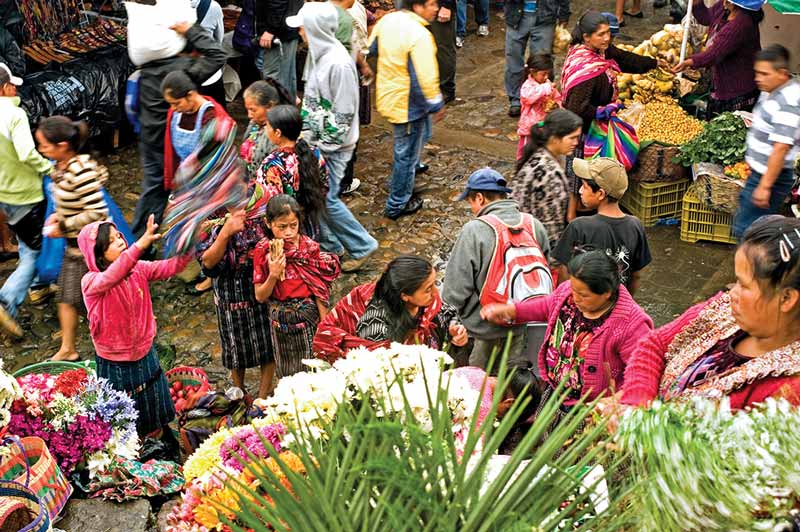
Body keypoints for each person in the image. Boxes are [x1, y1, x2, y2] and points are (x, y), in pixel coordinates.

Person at [619, 215, 800, 410]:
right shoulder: (724, 310)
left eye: (744, 285)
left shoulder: (786, 394)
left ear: (787, 298)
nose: (733, 293)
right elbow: (654, 344)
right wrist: (637, 403)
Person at [481, 250, 653, 419]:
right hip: (555, 392)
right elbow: (545, 306)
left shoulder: (631, 324)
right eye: (573, 289)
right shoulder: (567, 294)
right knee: (548, 438)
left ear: (606, 293)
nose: (575, 297)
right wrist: (511, 311)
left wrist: (615, 401)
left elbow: (644, 374)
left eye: (583, 295)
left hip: (593, 410)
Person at [77, 216, 192, 437]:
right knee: (126, 423)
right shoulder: (91, 281)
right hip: (115, 362)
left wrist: (191, 243)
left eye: (119, 235)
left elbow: (169, 267)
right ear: (98, 254)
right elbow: (114, 274)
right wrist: (142, 243)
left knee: (154, 413)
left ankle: (161, 446)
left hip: (145, 353)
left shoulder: (137, 269)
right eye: (111, 241)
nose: (120, 240)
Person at [288, 2, 378, 272]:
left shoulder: (337, 63)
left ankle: (362, 245)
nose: (300, 32)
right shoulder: (318, 55)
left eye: (303, 27)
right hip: (318, 141)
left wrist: (313, 133)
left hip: (333, 146)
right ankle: (330, 245)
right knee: (316, 196)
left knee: (327, 199)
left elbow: (343, 115)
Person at [443, 168, 552, 372]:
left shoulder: (475, 230)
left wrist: (449, 320)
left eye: (471, 202)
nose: (472, 208)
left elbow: (455, 289)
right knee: (509, 387)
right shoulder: (534, 225)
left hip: (480, 333)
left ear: (480, 198)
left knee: (477, 391)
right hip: (519, 327)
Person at [560, 11, 661, 220]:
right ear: (586, 37)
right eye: (600, 34)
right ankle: (571, 217)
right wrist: (600, 111)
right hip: (583, 129)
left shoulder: (602, 52)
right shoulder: (586, 66)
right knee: (578, 174)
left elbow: (624, 59)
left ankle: (592, 208)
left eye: (608, 33)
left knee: (592, 174)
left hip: (597, 125)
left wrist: (653, 64)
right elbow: (576, 107)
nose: (606, 38)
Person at [131, 21, 226, 240]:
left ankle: (141, 244)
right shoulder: (181, 71)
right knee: (187, 195)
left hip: (150, 138)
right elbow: (217, 54)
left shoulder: (147, 68)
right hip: (173, 147)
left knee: (154, 191)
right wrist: (191, 31)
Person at [36, 117, 108, 362]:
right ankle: (68, 348)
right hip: (74, 246)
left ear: (63, 145)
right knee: (67, 299)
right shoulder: (61, 167)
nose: (41, 150)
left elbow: (97, 213)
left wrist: (64, 225)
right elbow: (73, 202)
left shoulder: (81, 171)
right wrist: (59, 215)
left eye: (44, 145)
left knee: (95, 302)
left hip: (92, 248)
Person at [369, 0, 445, 220]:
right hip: (408, 103)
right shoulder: (419, 35)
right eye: (431, 4)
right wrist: (436, 103)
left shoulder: (388, 20)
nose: (436, 8)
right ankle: (397, 203)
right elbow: (424, 77)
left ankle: (410, 170)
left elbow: (371, 49)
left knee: (416, 140)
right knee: (406, 152)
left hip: (390, 94)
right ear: (417, 6)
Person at [313, 255, 468, 362]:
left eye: (434, 283)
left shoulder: (424, 302)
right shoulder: (375, 329)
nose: (436, 292)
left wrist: (454, 328)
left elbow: (447, 313)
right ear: (405, 296)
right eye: (428, 288)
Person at [197, 186, 275, 399]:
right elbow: (208, 265)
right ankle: (239, 392)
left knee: (268, 343)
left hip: (261, 285)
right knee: (234, 347)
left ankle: (263, 395)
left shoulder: (263, 204)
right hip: (229, 292)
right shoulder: (210, 214)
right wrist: (225, 233)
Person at [253, 195, 341, 377]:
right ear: (268, 224)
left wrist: (325, 326)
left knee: (314, 370)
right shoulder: (263, 251)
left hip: (307, 318)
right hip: (280, 321)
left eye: (293, 225)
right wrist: (274, 275)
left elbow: (319, 290)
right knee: (286, 373)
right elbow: (260, 296)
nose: (288, 233)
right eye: (282, 227)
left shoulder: (308, 249)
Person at [161, 70, 231, 295]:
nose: (174, 107)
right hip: (187, 182)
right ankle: (196, 265)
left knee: (208, 230)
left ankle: (211, 274)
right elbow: (171, 151)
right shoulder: (176, 114)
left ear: (191, 95)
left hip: (209, 183)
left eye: (176, 102)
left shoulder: (212, 115)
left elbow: (219, 155)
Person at [0, 62, 51, 337]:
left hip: (4, 194)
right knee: (35, 251)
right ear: (6, 87)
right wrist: (50, 168)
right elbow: (26, 153)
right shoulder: (14, 114)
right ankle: (6, 300)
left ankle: (37, 288)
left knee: (25, 242)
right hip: (25, 192)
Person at [552, 157, 651, 296]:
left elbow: (564, 276)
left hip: (584, 311)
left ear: (600, 194)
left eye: (584, 186)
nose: (580, 191)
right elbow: (635, 276)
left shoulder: (578, 227)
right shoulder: (635, 226)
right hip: (618, 308)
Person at [733, 45, 800, 239]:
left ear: (782, 73)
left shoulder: (788, 102)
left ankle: (752, 266)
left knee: (748, 231)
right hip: (761, 173)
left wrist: (765, 186)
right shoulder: (771, 89)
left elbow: (781, 147)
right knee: (753, 228)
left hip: (771, 176)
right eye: (757, 72)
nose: (758, 78)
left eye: (764, 74)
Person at [673, 0, 764, 118]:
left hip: (737, 87)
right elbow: (706, 17)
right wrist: (696, 3)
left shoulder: (742, 23)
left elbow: (714, 53)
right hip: (722, 79)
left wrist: (689, 62)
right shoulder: (725, 7)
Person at [512, 109, 583, 247]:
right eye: (572, 137)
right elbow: (550, 229)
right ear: (554, 138)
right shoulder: (548, 174)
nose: (576, 142)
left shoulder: (540, 156)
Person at [256, 105, 328, 241]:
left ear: (277, 132)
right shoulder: (315, 153)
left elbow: (270, 206)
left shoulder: (271, 165)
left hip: (287, 230)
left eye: (267, 126)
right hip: (311, 223)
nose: (265, 129)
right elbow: (324, 186)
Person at [504, 0, 569, 118]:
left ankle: (544, 99)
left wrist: (564, 13)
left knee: (542, 62)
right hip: (515, 14)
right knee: (513, 59)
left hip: (545, 16)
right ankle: (516, 99)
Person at [240, 79, 295, 181]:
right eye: (247, 109)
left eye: (253, 110)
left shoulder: (277, 134)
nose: (249, 115)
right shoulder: (255, 124)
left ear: (270, 106)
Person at [515, 54, 562, 159]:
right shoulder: (527, 86)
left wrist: (556, 105)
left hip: (545, 126)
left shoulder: (547, 83)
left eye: (547, 74)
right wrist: (545, 88)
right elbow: (529, 97)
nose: (546, 77)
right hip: (530, 129)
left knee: (544, 153)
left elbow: (557, 97)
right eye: (543, 74)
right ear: (532, 72)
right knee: (528, 154)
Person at [255, 0, 303, 101]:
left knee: (275, 78)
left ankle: (279, 113)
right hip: (286, 29)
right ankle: (286, 110)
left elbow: (278, 2)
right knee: (286, 75)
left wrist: (271, 30)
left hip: (280, 33)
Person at [190, 0, 227, 108]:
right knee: (216, 118)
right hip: (210, 74)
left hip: (180, 76)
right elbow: (218, 41)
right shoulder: (213, 7)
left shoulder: (165, 7)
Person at [430, 0, 457, 103]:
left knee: (443, 50)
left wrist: (447, 5)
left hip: (439, 5)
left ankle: (446, 90)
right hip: (417, 7)